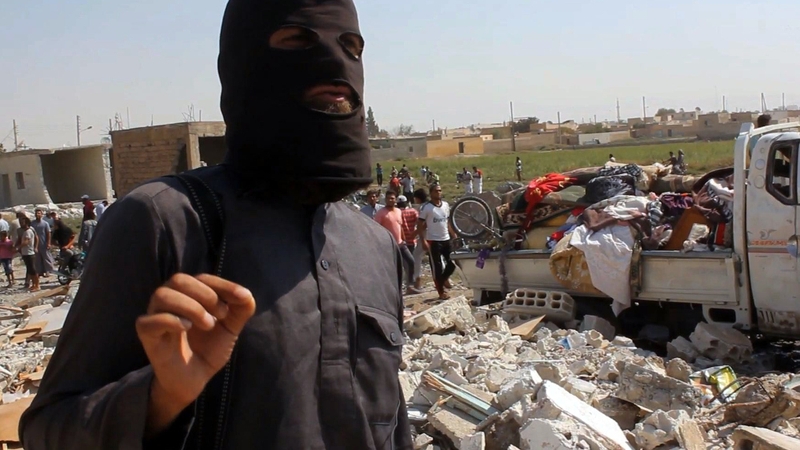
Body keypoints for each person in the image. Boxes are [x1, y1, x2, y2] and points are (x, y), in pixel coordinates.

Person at [21, 2, 412, 448]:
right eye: (298, 40)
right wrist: (160, 397)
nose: (335, 61)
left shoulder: (374, 245)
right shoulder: (161, 221)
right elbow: (48, 429)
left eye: (352, 47)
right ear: (246, 62)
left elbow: (389, 427)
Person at [418, 183, 456, 300]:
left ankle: (444, 279)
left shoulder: (445, 205)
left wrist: (453, 234)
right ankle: (441, 291)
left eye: (440, 190)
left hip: (446, 238)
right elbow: (420, 225)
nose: (438, 193)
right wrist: (423, 240)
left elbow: (447, 221)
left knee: (453, 262)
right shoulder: (426, 208)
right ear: (431, 193)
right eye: (436, 191)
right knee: (437, 267)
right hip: (433, 240)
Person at [374, 191, 417, 294]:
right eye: (389, 198)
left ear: (395, 199)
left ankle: (410, 286)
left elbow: (400, 226)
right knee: (394, 268)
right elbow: (376, 229)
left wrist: (404, 238)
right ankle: (395, 291)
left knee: (411, 261)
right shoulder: (381, 213)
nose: (390, 200)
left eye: (392, 198)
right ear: (385, 200)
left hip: (401, 243)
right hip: (388, 245)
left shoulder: (398, 211)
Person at [410, 188, 429, 291]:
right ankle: (444, 279)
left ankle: (417, 280)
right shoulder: (431, 205)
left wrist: (415, 233)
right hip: (434, 234)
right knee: (436, 257)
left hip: (425, 235)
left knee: (416, 256)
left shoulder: (422, 208)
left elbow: (423, 224)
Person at [17, 216, 38, 292]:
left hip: (29, 253)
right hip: (25, 253)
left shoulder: (28, 231)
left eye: (22, 222)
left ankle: (37, 285)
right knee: (30, 270)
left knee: (33, 270)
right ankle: (33, 284)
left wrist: (18, 248)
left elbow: (26, 242)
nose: (21, 224)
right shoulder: (24, 231)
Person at [31, 209, 54, 278]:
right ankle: (40, 271)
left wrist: (49, 243)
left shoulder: (45, 223)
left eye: (39, 213)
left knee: (46, 257)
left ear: (41, 214)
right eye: (36, 213)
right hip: (35, 244)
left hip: (44, 243)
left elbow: (48, 233)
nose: (37, 214)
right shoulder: (32, 223)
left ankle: (49, 270)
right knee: (37, 258)